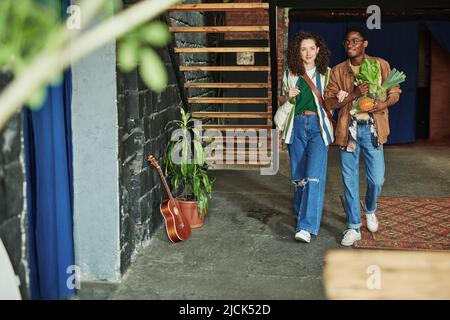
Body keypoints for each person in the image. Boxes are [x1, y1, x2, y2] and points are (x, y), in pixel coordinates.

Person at [324, 27, 401, 246]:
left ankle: (370, 209)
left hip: (373, 130)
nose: (350, 45)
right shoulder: (338, 71)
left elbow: (395, 92)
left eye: (355, 41)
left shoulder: (380, 65)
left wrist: (381, 104)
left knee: (377, 179)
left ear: (364, 43)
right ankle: (354, 226)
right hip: (349, 130)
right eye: (347, 42)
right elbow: (329, 102)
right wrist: (354, 95)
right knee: (349, 180)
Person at [278, 30, 334, 243]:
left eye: (312, 48)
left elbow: (331, 102)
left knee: (313, 177)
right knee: (299, 177)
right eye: (304, 49)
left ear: (318, 50)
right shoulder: (290, 73)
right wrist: (287, 96)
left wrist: (340, 96)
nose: (308, 52)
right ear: (298, 52)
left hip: (318, 128)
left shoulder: (327, 73)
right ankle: (302, 214)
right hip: (297, 125)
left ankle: (306, 227)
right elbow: (282, 100)